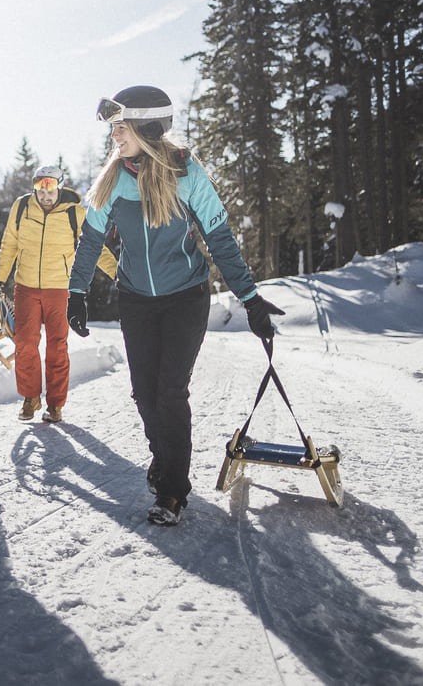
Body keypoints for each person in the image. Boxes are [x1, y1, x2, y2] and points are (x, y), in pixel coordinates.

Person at [66, 85, 284, 526]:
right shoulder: (112, 179)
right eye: (113, 128)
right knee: (144, 393)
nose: (115, 136)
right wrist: (76, 292)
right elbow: (90, 241)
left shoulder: (188, 176)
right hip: (136, 300)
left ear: (147, 127)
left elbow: (219, 240)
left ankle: (172, 492)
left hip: (185, 297)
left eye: (121, 127)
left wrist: (250, 297)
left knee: (170, 392)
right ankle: (161, 457)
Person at [0, 165, 118, 424]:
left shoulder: (74, 213)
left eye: (50, 186)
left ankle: (55, 404)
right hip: (26, 287)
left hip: (59, 289)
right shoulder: (22, 208)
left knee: (57, 347)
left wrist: (119, 274)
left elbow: (95, 247)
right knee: (25, 344)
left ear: (60, 186)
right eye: (40, 186)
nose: (45, 193)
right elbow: (9, 244)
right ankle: (30, 398)